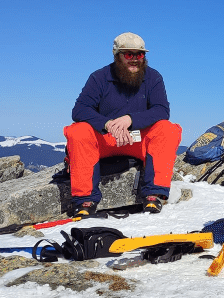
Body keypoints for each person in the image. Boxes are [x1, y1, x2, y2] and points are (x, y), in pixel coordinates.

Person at [64, 32, 182, 218]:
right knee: (78, 131)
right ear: (116, 55)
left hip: (136, 141)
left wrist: (131, 119)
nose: (135, 59)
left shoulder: (153, 77)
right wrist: (107, 123)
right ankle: (85, 200)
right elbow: (79, 110)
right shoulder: (99, 78)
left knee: (168, 130)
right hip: (105, 140)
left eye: (140, 54)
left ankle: (153, 195)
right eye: (129, 54)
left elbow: (161, 110)